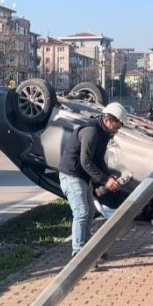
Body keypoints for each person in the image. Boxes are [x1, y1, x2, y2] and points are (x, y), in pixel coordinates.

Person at [57, 102, 126, 257]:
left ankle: (88, 249)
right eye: (116, 126)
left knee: (90, 212)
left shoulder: (103, 133)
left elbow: (98, 159)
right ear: (107, 120)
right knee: (81, 212)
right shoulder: (91, 131)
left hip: (82, 177)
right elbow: (86, 161)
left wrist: (108, 176)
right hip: (72, 175)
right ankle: (78, 253)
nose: (117, 130)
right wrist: (104, 180)